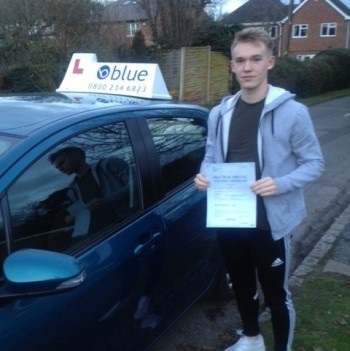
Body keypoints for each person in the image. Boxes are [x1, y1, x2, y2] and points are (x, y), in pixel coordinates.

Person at [194, 28, 324, 351]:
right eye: (240, 60)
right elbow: (211, 156)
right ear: (232, 66)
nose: (247, 67)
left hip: (271, 223)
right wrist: (203, 176)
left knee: (278, 296)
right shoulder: (219, 113)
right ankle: (251, 339)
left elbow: (314, 164)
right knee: (241, 285)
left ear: (270, 62)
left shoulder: (294, 112)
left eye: (255, 59)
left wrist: (280, 184)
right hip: (231, 217)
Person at [49, 146, 131, 237]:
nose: (60, 168)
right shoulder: (72, 191)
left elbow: (137, 183)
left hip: (129, 224)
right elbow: (81, 216)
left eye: (62, 163)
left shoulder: (109, 165)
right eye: (58, 167)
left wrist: (106, 200)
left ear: (77, 156)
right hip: (100, 238)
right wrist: (72, 217)